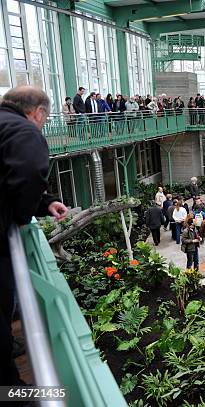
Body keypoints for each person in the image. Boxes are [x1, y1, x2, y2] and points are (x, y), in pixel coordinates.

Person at [0, 86, 69, 386]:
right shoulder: (25, 131)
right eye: (46, 118)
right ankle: (13, 395)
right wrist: (21, 215)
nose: (43, 123)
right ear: (38, 112)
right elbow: (29, 170)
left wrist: (43, 202)